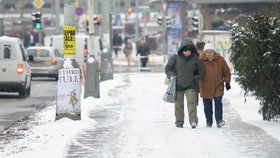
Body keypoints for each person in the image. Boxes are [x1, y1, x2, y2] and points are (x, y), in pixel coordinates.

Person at [165, 38, 205, 129]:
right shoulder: (174, 58)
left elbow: (202, 70)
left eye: (189, 51)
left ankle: (193, 121)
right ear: (181, 50)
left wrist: (195, 78)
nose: (187, 53)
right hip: (178, 85)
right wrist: (173, 75)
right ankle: (179, 122)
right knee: (178, 105)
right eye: (185, 51)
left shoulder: (195, 58)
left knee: (192, 103)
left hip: (190, 85)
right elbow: (167, 69)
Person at [199, 43, 231, 128]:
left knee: (218, 103)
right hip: (205, 86)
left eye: (211, 51)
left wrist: (227, 82)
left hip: (218, 86)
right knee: (207, 106)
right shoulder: (200, 60)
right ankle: (209, 122)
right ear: (204, 52)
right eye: (207, 51)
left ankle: (219, 120)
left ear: (214, 52)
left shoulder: (220, 60)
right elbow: (196, 72)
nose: (209, 53)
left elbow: (226, 71)